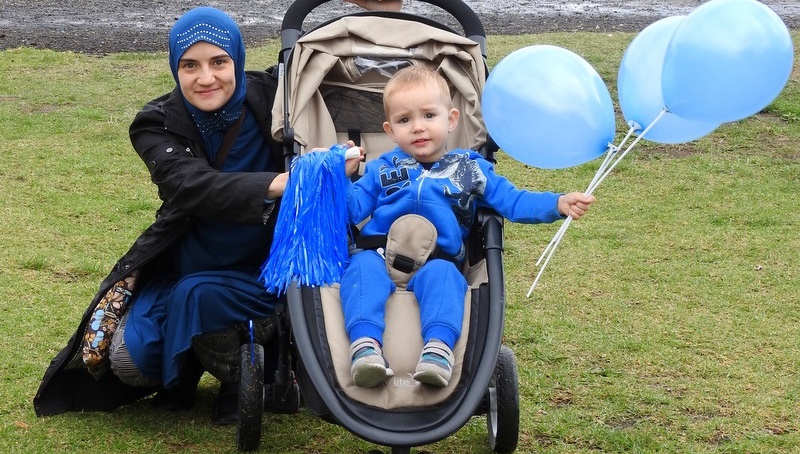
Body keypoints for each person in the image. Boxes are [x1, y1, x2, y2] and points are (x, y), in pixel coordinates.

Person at [33, 6, 360, 423]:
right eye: (190, 65)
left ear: (237, 60)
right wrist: (284, 182)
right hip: (189, 268)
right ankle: (191, 362)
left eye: (219, 62)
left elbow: (365, 82)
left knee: (202, 298)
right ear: (175, 67)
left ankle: (247, 372)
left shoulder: (278, 99)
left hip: (269, 270)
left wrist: (340, 159)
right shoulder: (155, 124)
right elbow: (192, 186)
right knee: (129, 359)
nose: (206, 78)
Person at [341, 65, 596, 388]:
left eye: (429, 116)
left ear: (451, 120)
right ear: (391, 131)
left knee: (447, 282)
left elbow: (513, 201)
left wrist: (556, 204)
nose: (418, 128)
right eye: (405, 121)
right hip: (378, 253)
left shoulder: (469, 169)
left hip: (438, 260)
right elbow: (351, 209)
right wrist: (342, 175)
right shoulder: (382, 168)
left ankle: (438, 350)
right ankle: (365, 348)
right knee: (360, 272)